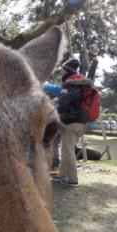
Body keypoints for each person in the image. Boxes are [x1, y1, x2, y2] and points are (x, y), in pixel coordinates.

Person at [51, 58, 93, 187]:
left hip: (71, 121)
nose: (61, 71)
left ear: (67, 70)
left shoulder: (70, 84)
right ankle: (63, 174)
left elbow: (63, 103)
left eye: (63, 69)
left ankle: (73, 178)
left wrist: (55, 113)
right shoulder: (82, 83)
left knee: (67, 150)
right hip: (82, 121)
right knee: (65, 148)